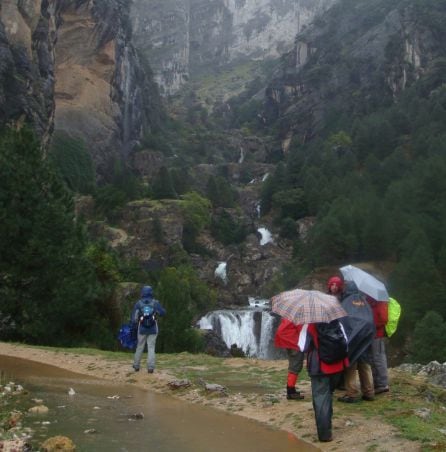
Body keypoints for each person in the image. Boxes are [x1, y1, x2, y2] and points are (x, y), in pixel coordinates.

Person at [304, 322, 349, 442]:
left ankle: (325, 435)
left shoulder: (310, 326)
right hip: (338, 367)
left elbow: (303, 346)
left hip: (320, 368)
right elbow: (346, 343)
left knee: (321, 399)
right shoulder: (338, 323)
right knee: (328, 395)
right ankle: (328, 424)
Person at [337, 281, 375, 403]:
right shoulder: (364, 301)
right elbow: (370, 317)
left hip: (353, 336)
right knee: (365, 364)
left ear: (347, 290)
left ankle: (352, 393)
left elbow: (342, 320)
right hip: (366, 336)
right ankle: (369, 392)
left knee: (351, 363)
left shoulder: (346, 302)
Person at [131, 285, 166, 373]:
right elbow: (163, 313)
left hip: (142, 328)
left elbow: (134, 318)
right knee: (151, 347)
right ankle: (150, 368)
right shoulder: (155, 303)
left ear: (142, 293)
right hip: (153, 328)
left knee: (140, 346)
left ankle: (136, 366)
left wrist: (134, 328)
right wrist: (158, 311)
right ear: (151, 293)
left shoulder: (138, 303)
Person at [274, 318, 305, 400]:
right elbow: (301, 330)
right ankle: (291, 391)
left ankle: (291, 389)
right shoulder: (299, 317)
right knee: (295, 366)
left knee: (293, 365)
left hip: (287, 340)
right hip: (293, 342)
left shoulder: (289, 314)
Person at [366, 295, 390, 394]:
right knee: (372, 359)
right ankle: (377, 383)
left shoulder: (381, 302)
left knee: (379, 358)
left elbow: (384, 319)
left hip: (377, 335)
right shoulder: (368, 301)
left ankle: (383, 384)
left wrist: (372, 324)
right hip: (370, 334)